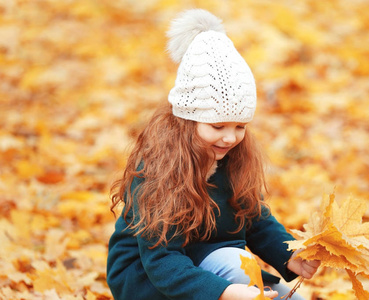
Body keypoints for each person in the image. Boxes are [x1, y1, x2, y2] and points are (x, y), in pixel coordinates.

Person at [106, 9, 320, 300]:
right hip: (150, 277)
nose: (230, 137)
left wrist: (289, 256)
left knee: (286, 296)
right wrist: (224, 292)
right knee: (235, 265)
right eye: (217, 125)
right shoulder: (158, 171)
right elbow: (161, 261)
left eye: (240, 126)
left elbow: (254, 219)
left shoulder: (231, 158)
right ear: (187, 120)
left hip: (214, 263)